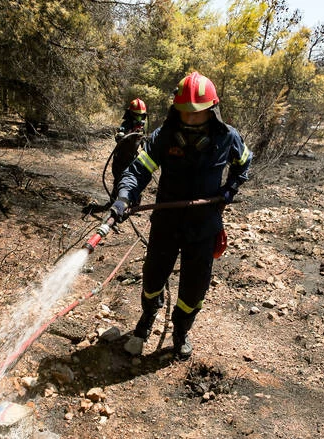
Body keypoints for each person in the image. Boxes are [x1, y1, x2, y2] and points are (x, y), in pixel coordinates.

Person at [109, 72, 253, 360]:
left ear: (212, 110)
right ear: (176, 110)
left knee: (194, 288)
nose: (190, 120)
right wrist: (124, 197)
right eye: (184, 113)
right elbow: (139, 171)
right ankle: (147, 319)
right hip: (166, 224)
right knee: (152, 279)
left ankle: (181, 331)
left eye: (196, 114)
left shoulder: (228, 138)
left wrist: (229, 190)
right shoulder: (163, 136)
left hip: (204, 226)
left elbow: (245, 162)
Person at [110, 99, 148, 205]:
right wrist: (121, 135)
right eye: (137, 116)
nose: (139, 119)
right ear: (131, 115)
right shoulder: (126, 125)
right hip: (120, 159)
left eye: (142, 116)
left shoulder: (141, 128)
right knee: (118, 181)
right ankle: (113, 203)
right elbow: (119, 134)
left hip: (132, 160)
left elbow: (143, 143)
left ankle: (134, 205)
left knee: (135, 181)